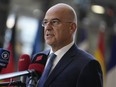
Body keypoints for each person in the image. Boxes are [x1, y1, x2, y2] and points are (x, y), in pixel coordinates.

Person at [37, 3, 103, 87]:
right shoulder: (38, 58)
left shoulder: (87, 64)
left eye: (54, 22)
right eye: (45, 22)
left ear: (72, 28)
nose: (48, 27)